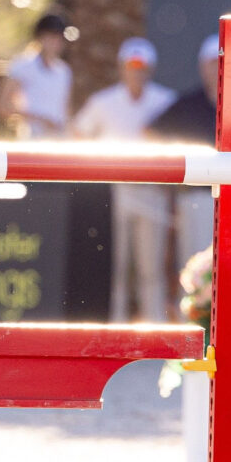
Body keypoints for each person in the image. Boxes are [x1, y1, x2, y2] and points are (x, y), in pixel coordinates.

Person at [70, 37, 178, 323]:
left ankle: (156, 327)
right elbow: (79, 132)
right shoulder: (103, 102)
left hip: (151, 192)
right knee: (115, 265)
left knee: (150, 267)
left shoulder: (165, 101)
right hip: (114, 193)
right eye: (131, 67)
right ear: (122, 68)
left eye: (141, 67)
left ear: (150, 70)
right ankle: (114, 326)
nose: (136, 72)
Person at [148, 33, 224, 276]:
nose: (216, 69)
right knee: (193, 266)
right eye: (212, 63)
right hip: (196, 198)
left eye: (220, 63)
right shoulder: (187, 105)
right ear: (203, 67)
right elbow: (151, 133)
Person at [0, 12, 74, 139]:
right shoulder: (22, 66)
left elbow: (65, 109)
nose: (56, 42)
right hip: (31, 139)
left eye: (59, 37)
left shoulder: (64, 71)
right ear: (40, 37)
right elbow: (3, 106)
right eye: (52, 36)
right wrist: (40, 119)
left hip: (59, 140)